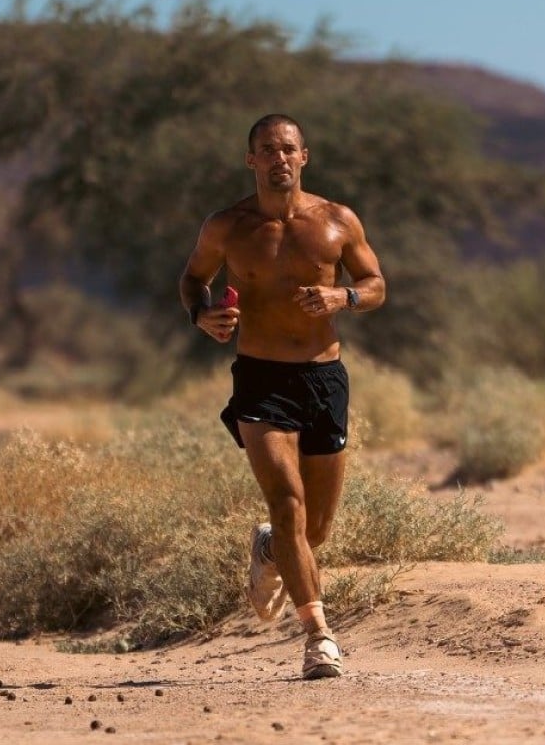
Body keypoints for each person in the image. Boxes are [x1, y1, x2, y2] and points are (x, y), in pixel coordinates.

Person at [179, 113, 385, 679]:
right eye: (267, 150)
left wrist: (344, 297)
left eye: (288, 149)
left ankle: (271, 550)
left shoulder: (337, 220)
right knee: (287, 502)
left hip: (324, 379)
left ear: (304, 156)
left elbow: (376, 285)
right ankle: (319, 637)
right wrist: (202, 315)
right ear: (251, 160)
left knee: (313, 531)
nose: (279, 158)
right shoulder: (228, 226)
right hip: (260, 379)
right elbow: (193, 279)